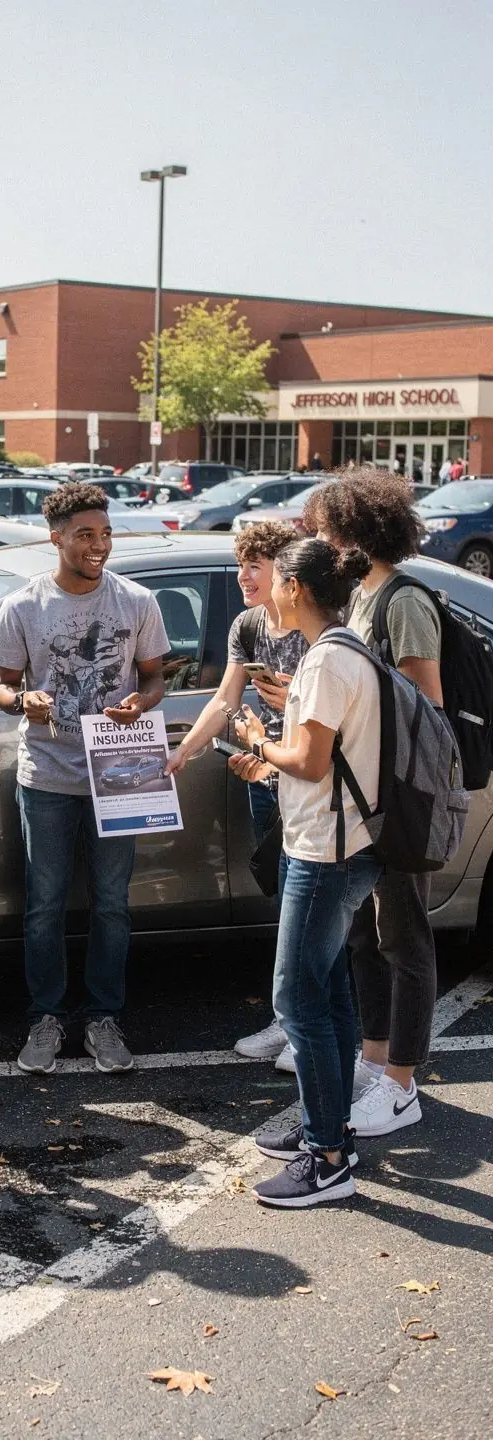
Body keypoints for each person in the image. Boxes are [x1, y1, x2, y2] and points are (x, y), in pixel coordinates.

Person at [0, 483, 168, 1075]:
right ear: (56, 537)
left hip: (120, 768)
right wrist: (24, 701)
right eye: (85, 535)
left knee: (112, 904)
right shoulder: (23, 606)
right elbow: (1, 686)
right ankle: (45, 1017)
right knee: (43, 903)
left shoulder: (138, 602)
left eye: (106, 534)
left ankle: (103, 1018)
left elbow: (154, 680)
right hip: (47, 774)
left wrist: (141, 705)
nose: (99, 545)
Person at [231, 538, 383, 1207]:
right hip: (345, 839)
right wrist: (271, 759)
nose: (267, 595)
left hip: (325, 851)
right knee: (329, 993)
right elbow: (326, 756)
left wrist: (258, 742)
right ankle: (332, 1129)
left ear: (295, 586)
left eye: (276, 585)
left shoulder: (324, 661)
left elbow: (314, 762)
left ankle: (327, 1160)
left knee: (297, 999)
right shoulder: (347, 649)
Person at [304, 472, 441, 1137]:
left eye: (329, 531)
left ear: (360, 532)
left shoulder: (402, 602)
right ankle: (374, 1057)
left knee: (405, 937)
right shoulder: (359, 599)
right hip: (361, 796)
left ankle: (403, 1084)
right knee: (364, 932)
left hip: (399, 800)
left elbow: (427, 710)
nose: (323, 543)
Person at [165, 521, 304, 1072]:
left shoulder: (315, 626)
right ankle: (288, 1019)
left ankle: (306, 1029)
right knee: (285, 903)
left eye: (256, 565)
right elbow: (226, 699)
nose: (244, 575)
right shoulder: (248, 626)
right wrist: (185, 752)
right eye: (242, 563)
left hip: (309, 779)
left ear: (286, 573)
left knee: (309, 908)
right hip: (264, 781)